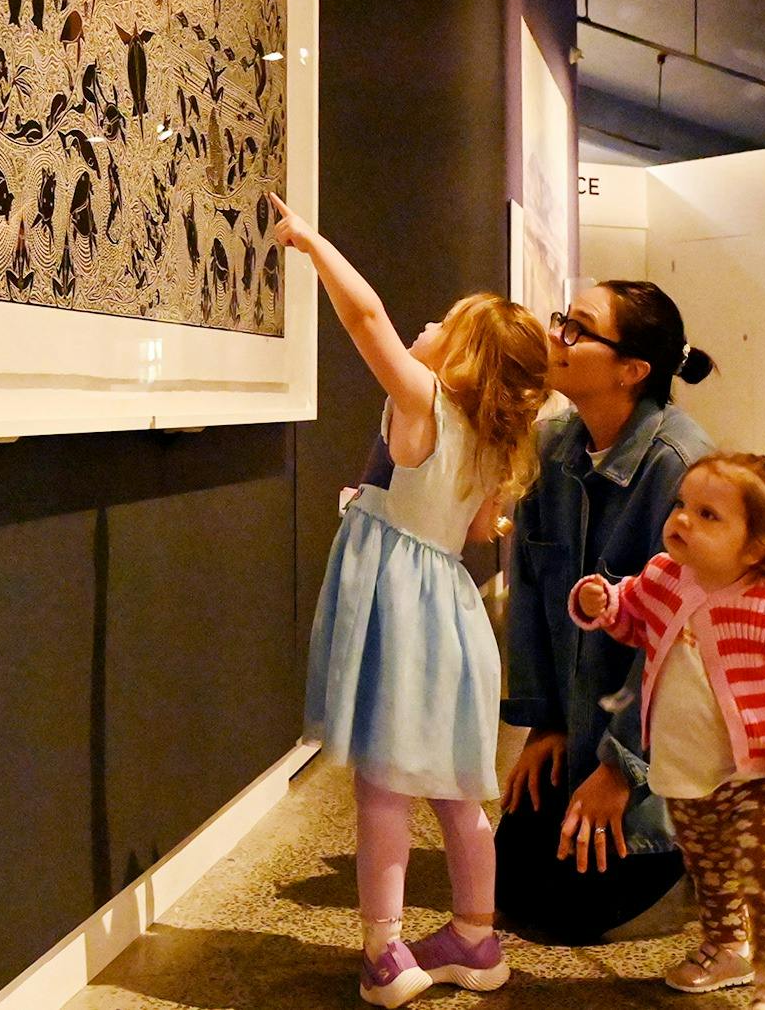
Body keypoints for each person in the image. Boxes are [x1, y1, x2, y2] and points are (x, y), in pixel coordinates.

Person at [273, 194, 550, 1008]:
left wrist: (315, 244)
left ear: (459, 359)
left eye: (441, 325)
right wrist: (375, 499)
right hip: (455, 619)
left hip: (401, 613)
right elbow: (457, 529)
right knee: (459, 793)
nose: (422, 328)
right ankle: (475, 936)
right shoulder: (493, 441)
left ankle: (385, 950)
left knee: (383, 790)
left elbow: (365, 319)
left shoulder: (424, 402)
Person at [569, 443, 765, 1010]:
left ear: (757, 546)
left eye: (708, 515)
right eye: (681, 505)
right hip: (688, 767)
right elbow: (633, 617)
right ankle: (725, 948)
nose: (682, 519)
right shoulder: (666, 576)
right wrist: (603, 604)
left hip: (764, 774)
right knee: (709, 869)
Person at [496, 280, 715, 942]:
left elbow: (686, 649)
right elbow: (531, 595)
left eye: (577, 328)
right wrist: (544, 728)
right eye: (563, 319)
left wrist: (623, 770)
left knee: (577, 914)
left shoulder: (679, 466)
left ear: (632, 370)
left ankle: (695, 857)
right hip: (579, 723)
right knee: (514, 889)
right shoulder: (551, 448)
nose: (556, 336)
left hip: (654, 756)